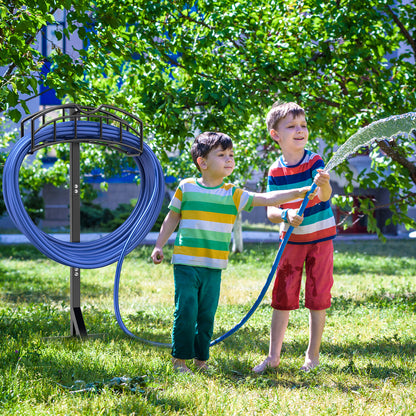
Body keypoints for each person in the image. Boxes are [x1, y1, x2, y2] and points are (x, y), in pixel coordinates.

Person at [151, 131, 314, 374]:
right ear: (202, 163)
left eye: (231, 155)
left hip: (214, 266)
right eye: (222, 155)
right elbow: (172, 216)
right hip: (186, 263)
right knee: (185, 310)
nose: (229, 159)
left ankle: (201, 360)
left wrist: (298, 192)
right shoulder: (187, 188)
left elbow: (266, 198)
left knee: (206, 315)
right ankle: (180, 360)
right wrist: (159, 244)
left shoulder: (233, 194)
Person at [252, 101, 337, 374]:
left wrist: (324, 185)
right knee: (282, 297)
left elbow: (325, 197)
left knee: (318, 295)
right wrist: (286, 217)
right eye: (291, 126)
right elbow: (271, 212)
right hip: (291, 242)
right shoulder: (275, 171)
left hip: (320, 239)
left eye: (303, 125)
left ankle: (312, 356)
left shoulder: (314, 162)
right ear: (275, 135)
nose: (300, 130)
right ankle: (273, 356)